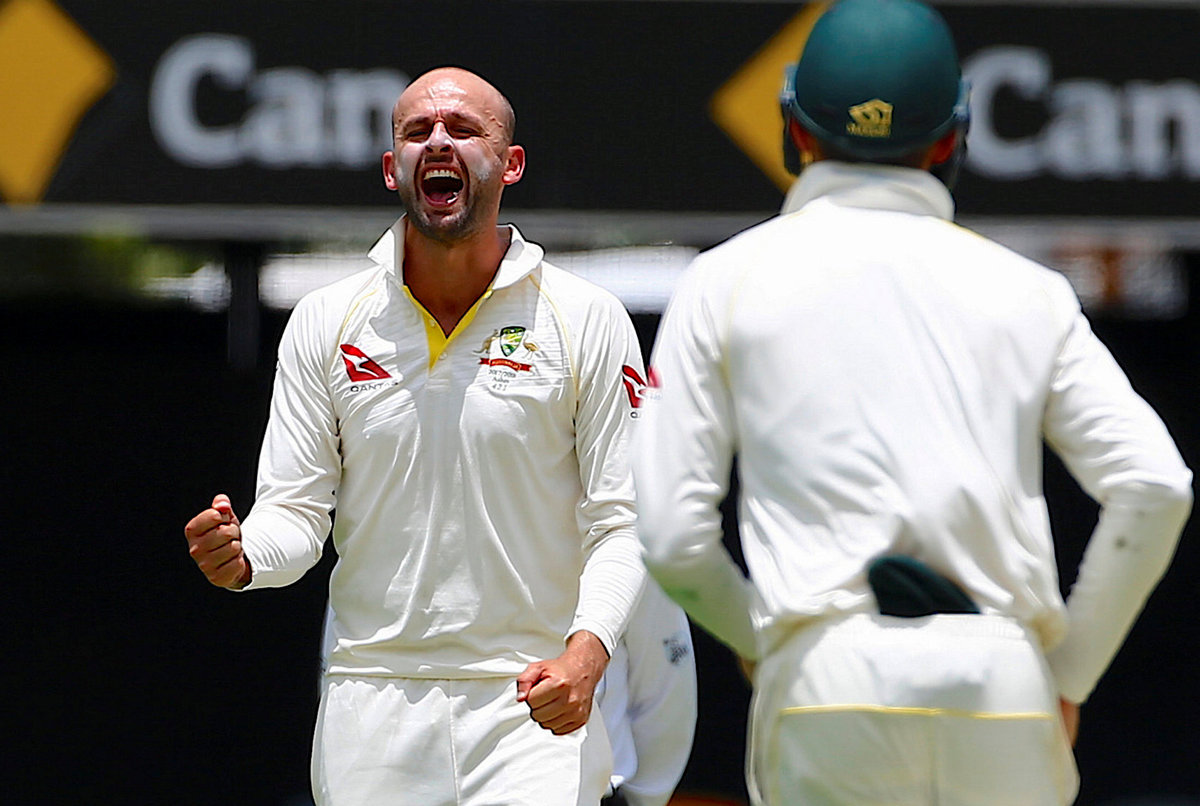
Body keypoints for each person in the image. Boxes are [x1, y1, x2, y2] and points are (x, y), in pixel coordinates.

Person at [632, 1, 1192, 805]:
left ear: (795, 130)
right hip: (1002, 684)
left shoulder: (724, 280)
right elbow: (1155, 485)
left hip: (826, 676)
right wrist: (1068, 674)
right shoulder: (1029, 291)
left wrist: (765, 636)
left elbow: (672, 536)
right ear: (951, 139)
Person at [184, 66, 650, 806]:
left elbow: (623, 523)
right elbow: (295, 514)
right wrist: (246, 557)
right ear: (390, 167)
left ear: (511, 164)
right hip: (370, 705)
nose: (438, 142)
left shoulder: (585, 317)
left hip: (530, 704)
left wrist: (586, 655)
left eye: (463, 129)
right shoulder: (327, 319)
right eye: (416, 132)